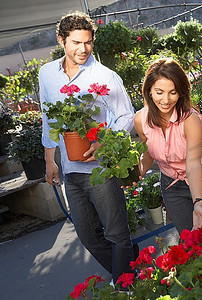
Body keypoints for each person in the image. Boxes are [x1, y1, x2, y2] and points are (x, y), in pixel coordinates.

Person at [39, 11, 136, 285]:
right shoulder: (47, 75)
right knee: (89, 237)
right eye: (76, 43)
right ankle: (131, 266)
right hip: (71, 170)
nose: (83, 49)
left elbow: (126, 116)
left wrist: (103, 140)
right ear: (61, 41)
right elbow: (49, 118)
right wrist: (50, 160)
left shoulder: (103, 75)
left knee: (117, 234)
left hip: (102, 170)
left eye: (88, 42)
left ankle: (125, 286)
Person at [134, 58, 202, 234]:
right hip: (172, 185)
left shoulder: (190, 119)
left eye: (173, 92)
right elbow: (148, 153)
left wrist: (198, 202)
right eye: (159, 92)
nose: (166, 100)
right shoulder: (140, 119)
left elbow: (192, 164)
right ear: (149, 90)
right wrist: (135, 174)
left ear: (181, 92)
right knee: (188, 240)